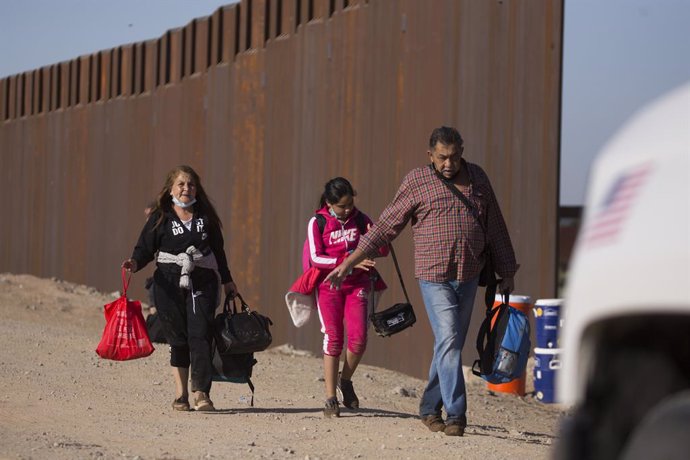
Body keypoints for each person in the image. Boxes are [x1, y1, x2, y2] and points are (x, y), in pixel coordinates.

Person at [325, 127, 518, 436]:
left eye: (454, 157)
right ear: (431, 155)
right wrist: (349, 261)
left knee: (448, 342)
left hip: (468, 274)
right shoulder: (416, 181)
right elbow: (386, 225)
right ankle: (456, 415)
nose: (448, 164)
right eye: (442, 157)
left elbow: (495, 225)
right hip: (434, 275)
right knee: (450, 339)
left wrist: (507, 271)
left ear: (462, 152)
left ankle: (429, 407)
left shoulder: (478, 178)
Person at [122, 165, 237, 412]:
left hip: (202, 282)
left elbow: (218, 251)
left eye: (191, 184)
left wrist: (227, 281)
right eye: (181, 184)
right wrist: (134, 263)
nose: (187, 188)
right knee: (178, 338)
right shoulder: (161, 216)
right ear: (171, 188)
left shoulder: (205, 217)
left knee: (201, 334)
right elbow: (144, 248)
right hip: (168, 284)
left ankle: (202, 393)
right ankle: (181, 394)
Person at [305, 177, 388, 418]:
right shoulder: (317, 222)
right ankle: (331, 398)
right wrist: (347, 262)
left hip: (357, 285)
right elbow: (315, 258)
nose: (348, 209)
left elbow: (382, 250)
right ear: (330, 203)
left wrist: (379, 239)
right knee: (333, 338)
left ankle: (346, 380)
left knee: (360, 339)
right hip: (329, 286)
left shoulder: (361, 219)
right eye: (342, 206)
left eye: (351, 203)